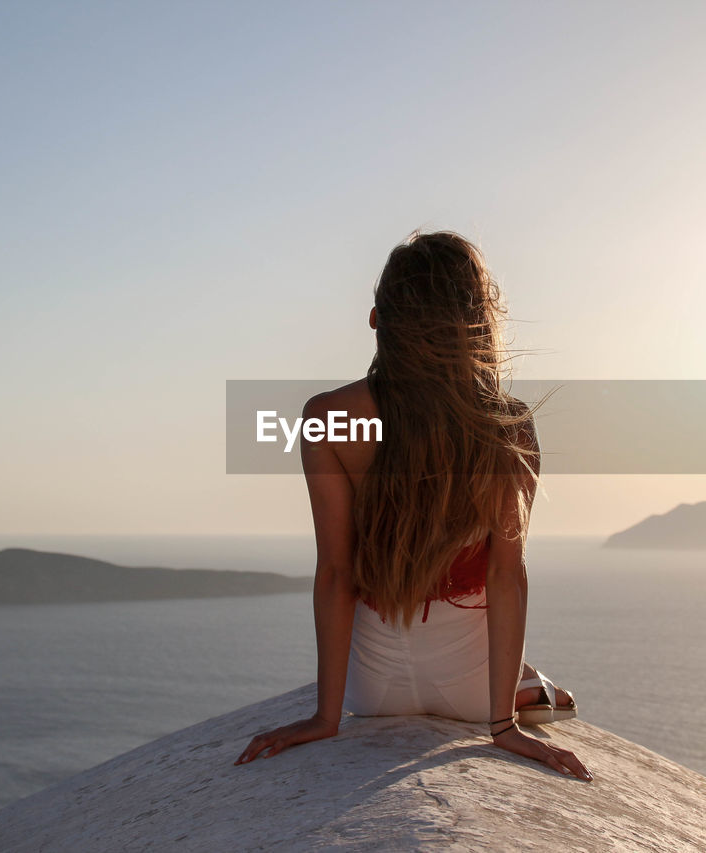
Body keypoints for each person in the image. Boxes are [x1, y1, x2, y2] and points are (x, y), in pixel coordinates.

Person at [234, 230, 591, 782]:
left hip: (371, 689)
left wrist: (326, 717)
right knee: (510, 651)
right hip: (472, 691)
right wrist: (501, 727)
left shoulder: (328, 416)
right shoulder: (507, 425)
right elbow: (506, 575)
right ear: (475, 327)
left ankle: (518, 680)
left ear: (379, 320)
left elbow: (335, 572)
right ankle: (523, 687)